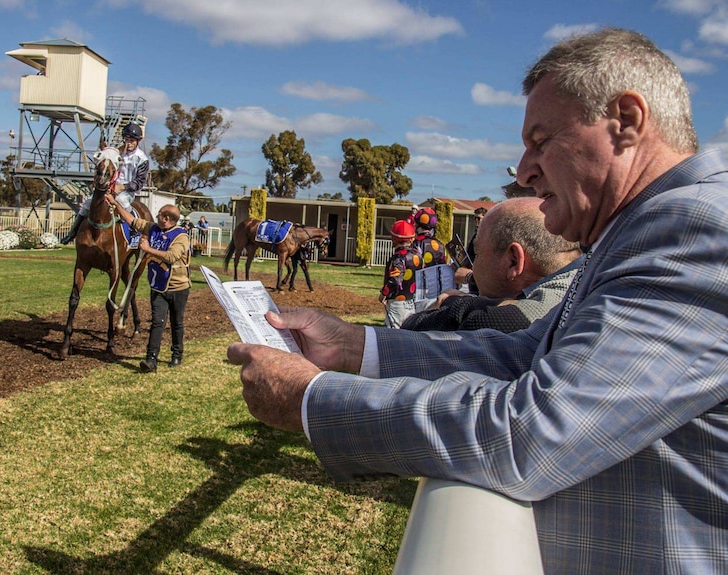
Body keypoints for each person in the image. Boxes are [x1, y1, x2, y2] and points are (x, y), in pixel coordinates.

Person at [227, 28, 728, 574]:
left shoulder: (693, 229)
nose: (524, 169)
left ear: (626, 122)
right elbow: (522, 356)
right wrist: (353, 347)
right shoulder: (645, 230)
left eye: (540, 141)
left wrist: (311, 398)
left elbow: (531, 434)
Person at [402, 197, 582, 332]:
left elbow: (412, 326)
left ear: (513, 261)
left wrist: (451, 304)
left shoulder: (511, 319)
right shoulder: (584, 283)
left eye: (477, 253)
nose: (474, 263)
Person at [105, 194, 190, 373]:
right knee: (157, 322)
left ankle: (176, 354)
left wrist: (147, 249)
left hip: (178, 287)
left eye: (159, 214)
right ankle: (151, 360)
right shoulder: (153, 228)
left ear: (167, 218)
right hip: (158, 286)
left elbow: (171, 256)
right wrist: (115, 204)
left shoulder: (181, 236)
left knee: (177, 322)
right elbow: (132, 221)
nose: (156, 216)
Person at [62, 123, 150, 244]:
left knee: (122, 201)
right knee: (87, 204)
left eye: (132, 141)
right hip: (109, 187)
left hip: (126, 191)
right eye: (127, 140)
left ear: (137, 141)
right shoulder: (118, 153)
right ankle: (72, 232)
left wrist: (121, 187)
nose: (128, 143)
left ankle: (134, 228)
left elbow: (140, 182)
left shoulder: (142, 158)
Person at [378, 220, 421, 328]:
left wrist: (384, 294)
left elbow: (395, 279)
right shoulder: (417, 255)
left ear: (394, 239)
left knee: (394, 334)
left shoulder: (399, 257)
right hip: (411, 300)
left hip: (397, 303)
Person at [410, 207, 447, 312]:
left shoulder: (416, 244)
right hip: (437, 289)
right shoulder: (440, 245)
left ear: (417, 225)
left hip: (420, 290)